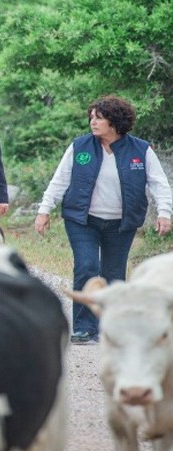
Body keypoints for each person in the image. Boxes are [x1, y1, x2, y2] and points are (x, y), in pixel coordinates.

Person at [34, 95, 172, 345]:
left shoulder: (141, 150)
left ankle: (111, 328)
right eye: (91, 117)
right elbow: (60, 180)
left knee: (114, 274)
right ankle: (84, 328)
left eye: (99, 118)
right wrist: (44, 211)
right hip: (82, 219)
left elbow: (159, 184)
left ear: (115, 121)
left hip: (121, 223)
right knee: (87, 267)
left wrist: (165, 213)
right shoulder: (80, 146)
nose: (93, 122)